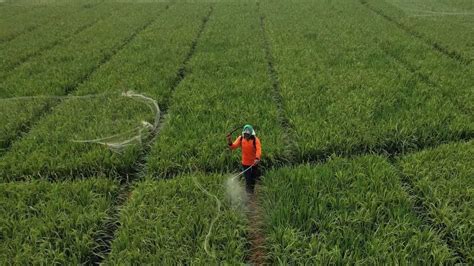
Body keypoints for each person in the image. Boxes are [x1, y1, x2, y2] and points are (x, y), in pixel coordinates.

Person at [227, 124, 262, 194]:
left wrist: (257, 158)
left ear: (251, 134)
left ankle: (252, 191)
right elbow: (232, 147)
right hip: (245, 163)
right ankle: (248, 194)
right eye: (245, 134)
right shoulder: (241, 138)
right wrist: (229, 140)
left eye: (247, 134)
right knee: (248, 179)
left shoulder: (255, 140)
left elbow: (259, 149)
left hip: (254, 163)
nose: (246, 136)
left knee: (253, 179)